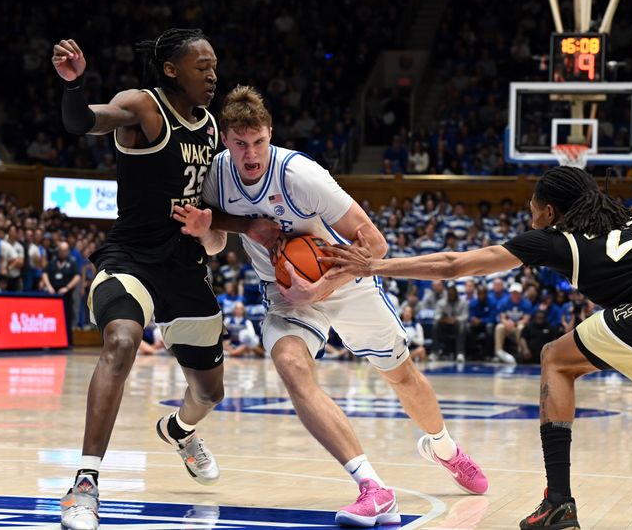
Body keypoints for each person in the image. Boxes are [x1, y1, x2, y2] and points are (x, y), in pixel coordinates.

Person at [173, 86, 487, 527]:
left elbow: (374, 244)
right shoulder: (215, 178)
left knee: (401, 375)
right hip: (283, 292)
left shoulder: (300, 175)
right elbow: (217, 243)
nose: (251, 153)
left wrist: (320, 288)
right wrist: (206, 229)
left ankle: (444, 448)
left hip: (345, 279)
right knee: (290, 366)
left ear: (270, 134)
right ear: (225, 139)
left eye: (259, 141)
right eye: (241, 143)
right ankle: (373, 488)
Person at [322, 165, 632, 529]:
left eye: (533, 212)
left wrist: (374, 265)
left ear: (549, 212)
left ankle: (558, 503)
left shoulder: (555, 240)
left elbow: (453, 265)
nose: (531, 222)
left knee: (556, 359)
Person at [52, 31, 278, 530]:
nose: (213, 74)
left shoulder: (212, 125)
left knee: (209, 392)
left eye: (215, 64)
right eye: (202, 65)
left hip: (185, 267)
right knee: (121, 340)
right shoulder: (143, 106)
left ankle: (179, 431)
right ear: (172, 69)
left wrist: (246, 227)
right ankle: (84, 485)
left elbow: (210, 210)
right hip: (130, 259)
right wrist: (72, 86)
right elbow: (85, 121)